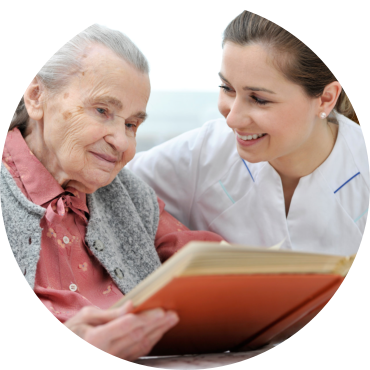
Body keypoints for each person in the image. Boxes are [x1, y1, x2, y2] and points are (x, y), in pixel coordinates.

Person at [0, 24, 223, 361]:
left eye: (132, 124)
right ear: (36, 97)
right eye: (103, 111)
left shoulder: (130, 195)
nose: (121, 141)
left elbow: (209, 265)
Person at [127, 10, 369, 257]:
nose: (232, 119)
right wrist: (176, 237)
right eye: (227, 88)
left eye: (259, 99)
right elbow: (109, 184)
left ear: (326, 99)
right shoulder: (203, 153)